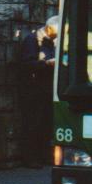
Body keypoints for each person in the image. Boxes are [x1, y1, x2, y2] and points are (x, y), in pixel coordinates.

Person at [19, 16, 58, 168]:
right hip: (34, 88)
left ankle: (43, 155)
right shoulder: (32, 40)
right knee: (33, 123)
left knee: (46, 123)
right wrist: (46, 64)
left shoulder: (50, 41)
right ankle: (31, 158)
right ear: (49, 29)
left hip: (46, 87)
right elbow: (26, 64)